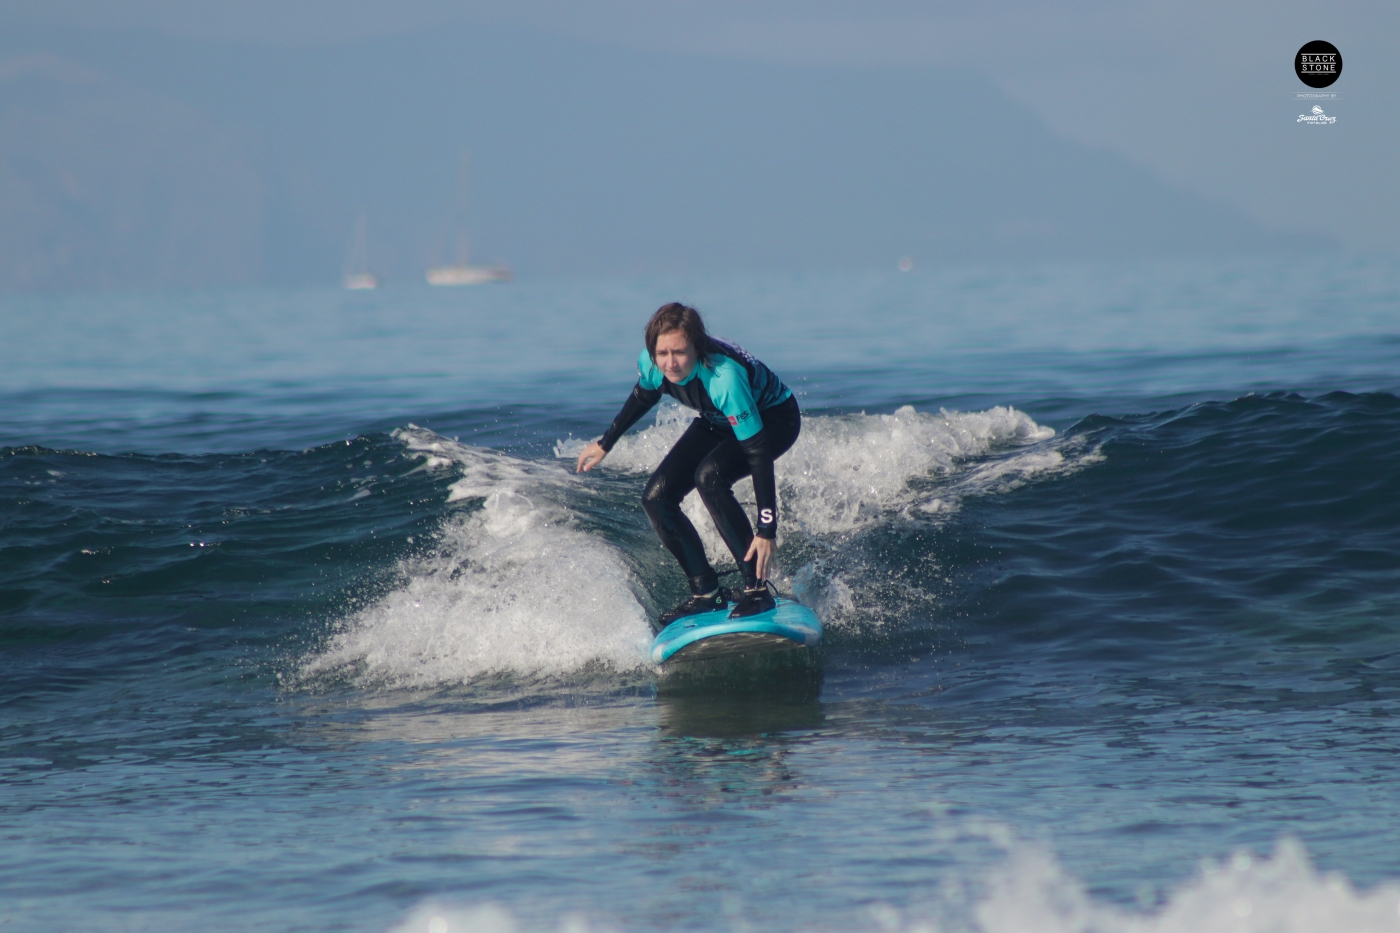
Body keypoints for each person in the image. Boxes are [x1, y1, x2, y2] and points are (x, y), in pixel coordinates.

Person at [576, 303, 801, 626]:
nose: (670, 363)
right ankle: (707, 593)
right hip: (717, 418)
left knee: (710, 477)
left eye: (679, 352)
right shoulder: (652, 363)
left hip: (773, 419)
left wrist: (766, 530)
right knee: (656, 498)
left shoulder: (723, 378)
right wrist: (605, 443)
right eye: (662, 353)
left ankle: (756, 590)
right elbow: (643, 396)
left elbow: (758, 455)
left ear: (697, 347)